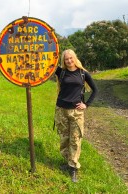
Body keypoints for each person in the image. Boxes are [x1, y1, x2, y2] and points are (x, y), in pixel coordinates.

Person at [54, 49, 98, 182]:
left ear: (75, 58)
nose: (69, 61)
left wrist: (87, 104)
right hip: (61, 110)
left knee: (75, 139)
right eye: (66, 59)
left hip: (76, 112)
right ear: (63, 60)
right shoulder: (61, 72)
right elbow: (47, 64)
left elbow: (95, 90)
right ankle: (67, 162)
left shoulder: (83, 73)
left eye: (71, 58)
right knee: (64, 139)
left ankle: (73, 167)